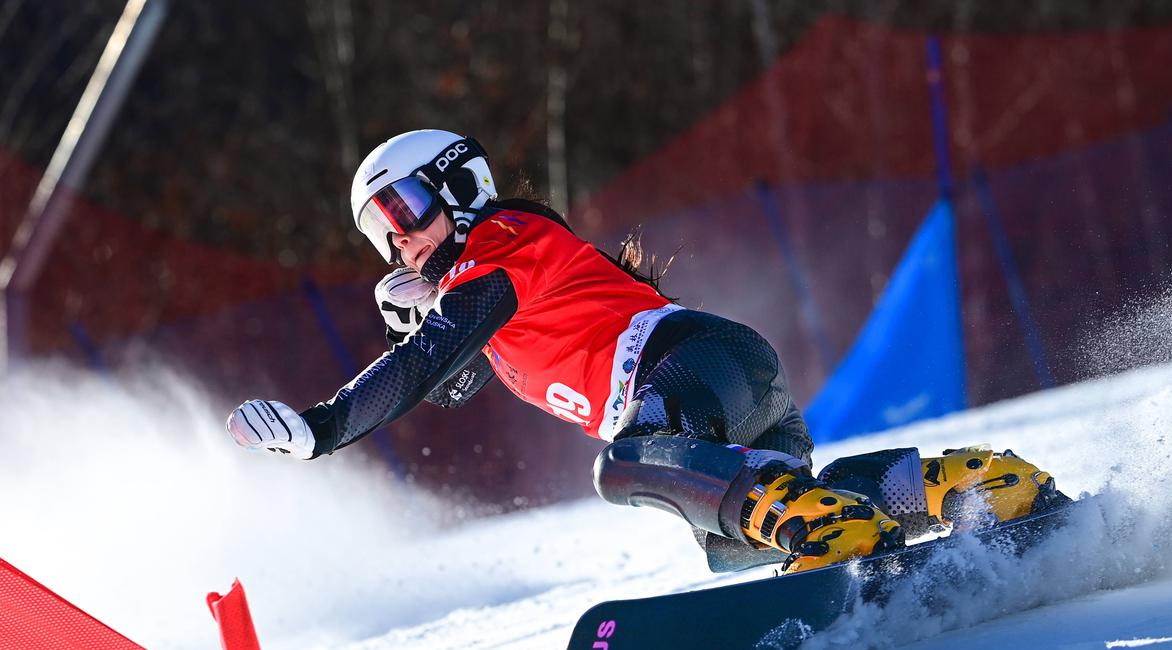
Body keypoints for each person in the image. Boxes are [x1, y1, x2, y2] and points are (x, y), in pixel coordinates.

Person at [227, 130, 1067, 574]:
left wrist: (321, 426)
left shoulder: (505, 236)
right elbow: (444, 379)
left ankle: (842, 533)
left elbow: (433, 362)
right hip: (723, 383)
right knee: (744, 540)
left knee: (624, 463)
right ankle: (970, 481)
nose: (401, 242)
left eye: (406, 211)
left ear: (459, 184)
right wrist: (407, 326)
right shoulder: (483, 294)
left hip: (693, 367)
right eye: (382, 235)